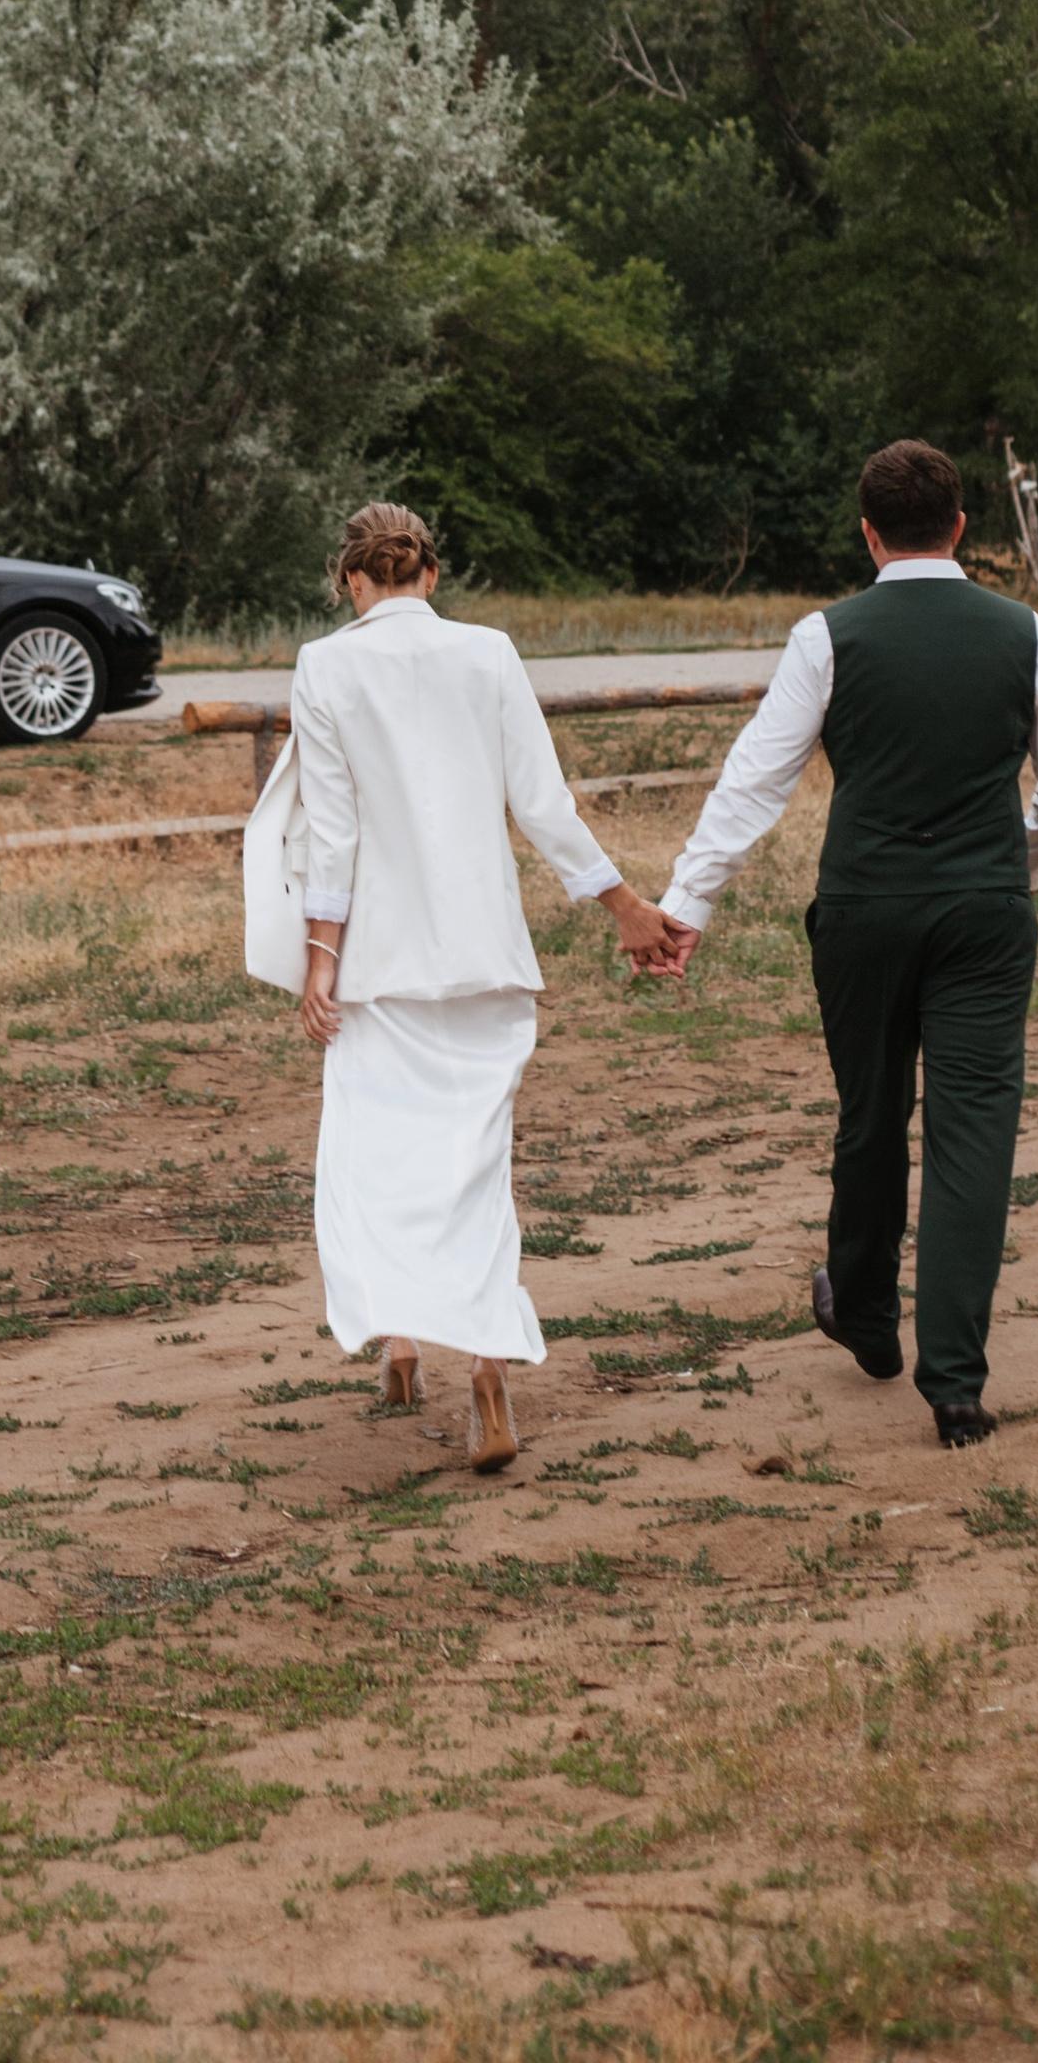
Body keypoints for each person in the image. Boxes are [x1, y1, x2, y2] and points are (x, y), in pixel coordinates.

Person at [644, 437, 1038, 1449]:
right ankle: (956, 1384)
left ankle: (860, 1310)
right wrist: (1016, 867)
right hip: (983, 912)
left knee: (871, 1111)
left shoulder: (828, 636)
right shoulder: (1019, 630)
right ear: (960, 528)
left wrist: (688, 903)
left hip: (863, 908)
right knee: (973, 1129)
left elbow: (754, 781)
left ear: (867, 532)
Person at [248, 499, 671, 1472]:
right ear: (429, 576)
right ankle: (484, 1366)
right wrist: (624, 908)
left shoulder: (324, 665)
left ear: (351, 580)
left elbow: (334, 831)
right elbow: (544, 806)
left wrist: (319, 958)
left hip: (382, 970)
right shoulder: (489, 654)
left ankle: (399, 1342)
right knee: (475, 1167)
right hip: (486, 960)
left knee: (378, 1159)